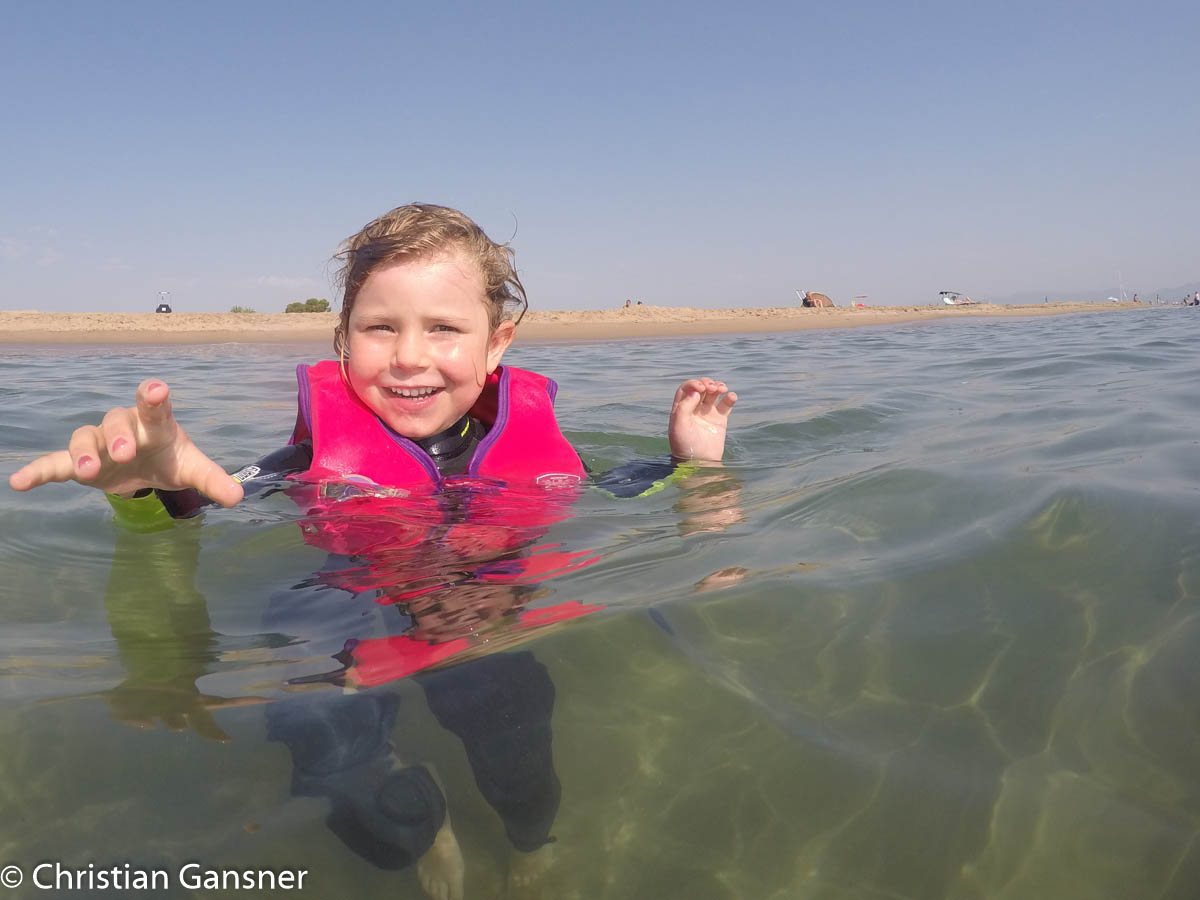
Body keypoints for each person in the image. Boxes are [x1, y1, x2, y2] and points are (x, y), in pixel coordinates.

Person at [8, 202, 738, 897]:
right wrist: (147, 490)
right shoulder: (311, 459)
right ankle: (415, 812)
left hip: (477, 597)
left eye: (444, 328)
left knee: (510, 713)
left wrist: (694, 467)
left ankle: (529, 842)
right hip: (341, 593)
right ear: (343, 339)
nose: (408, 357)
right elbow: (205, 505)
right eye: (380, 328)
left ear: (496, 344)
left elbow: (617, 491)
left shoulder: (531, 448)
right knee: (310, 723)